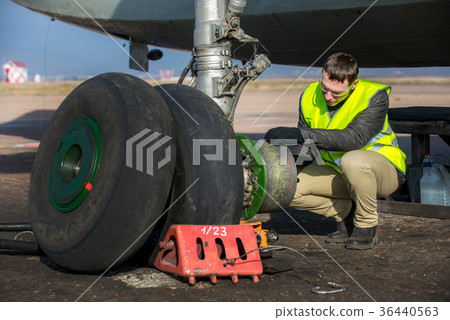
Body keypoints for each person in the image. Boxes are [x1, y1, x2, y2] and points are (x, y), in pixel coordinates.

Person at [265, 52, 406, 250]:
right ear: (322, 75)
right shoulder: (309, 95)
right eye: (324, 88)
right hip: (338, 172)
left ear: (353, 84)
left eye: (336, 93)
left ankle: (366, 225)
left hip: (382, 172)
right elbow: (307, 148)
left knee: (353, 160)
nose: (328, 96)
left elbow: (354, 139)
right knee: (285, 188)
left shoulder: (374, 96)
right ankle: (346, 214)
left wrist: (300, 134)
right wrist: (287, 168)